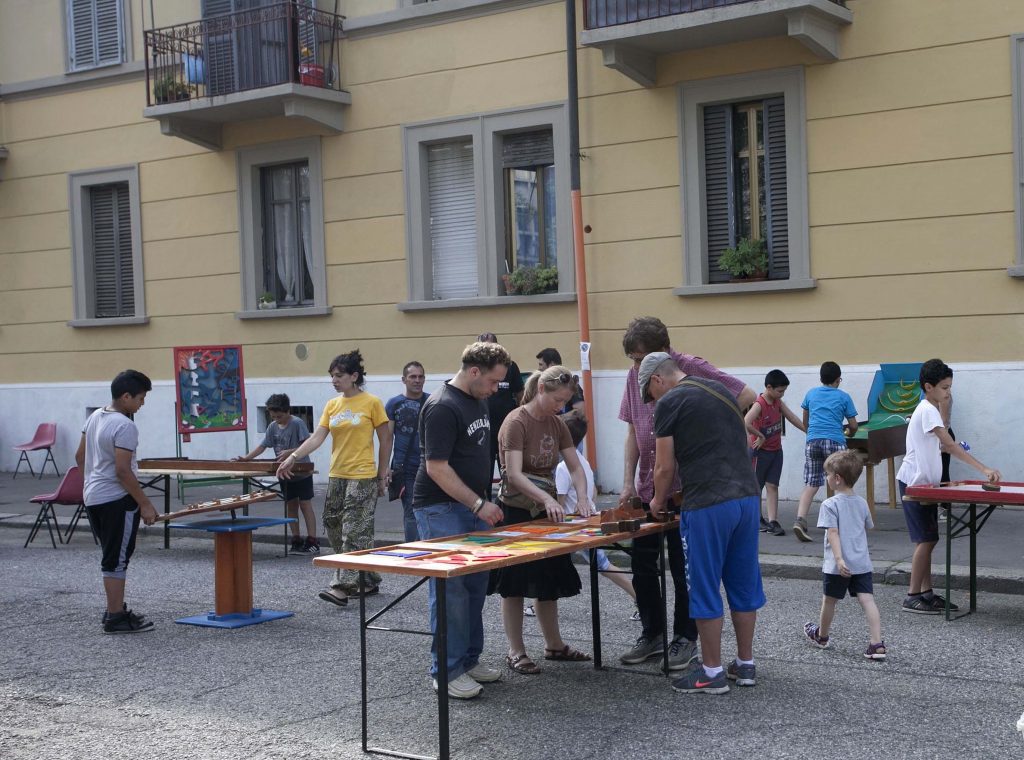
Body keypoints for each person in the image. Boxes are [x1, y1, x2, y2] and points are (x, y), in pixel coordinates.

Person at [617, 316, 756, 671]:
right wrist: (630, 482)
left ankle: (697, 653)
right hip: (723, 494)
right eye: (632, 360)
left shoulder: (692, 374)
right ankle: (657, 635)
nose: (635, 369)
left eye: (639, 358)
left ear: (662, 357)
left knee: (693, 576)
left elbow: (747, 396)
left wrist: (723, 436)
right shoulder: (641, 378)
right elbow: (634, 429)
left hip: (692, 495)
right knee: (645, 566)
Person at [642, 353, 766, 695]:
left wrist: (656, 501)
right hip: (746, 497)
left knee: (704, 584)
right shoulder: (719, 389)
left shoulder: (670, 403)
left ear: (658, 380)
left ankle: (711, 672)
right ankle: (745, 664)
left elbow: (664, 468)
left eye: (650, 395)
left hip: (708, 503)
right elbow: (741, 440)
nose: (652, 402)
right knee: (743, 584)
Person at [412, 341, 508, 700]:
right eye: (493, 381)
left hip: (473, 506)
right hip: (440, 509)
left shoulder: (477, 398)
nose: (495, 389)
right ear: (473, 372)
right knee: (450, 591)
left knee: (474, 588)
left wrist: (485, 498)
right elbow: (436, 468)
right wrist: (478, 502)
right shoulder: (441, 406)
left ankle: (468, 659)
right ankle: (447, 670)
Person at [489, 367, 595, 676]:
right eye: (556, 400)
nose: (560, 407)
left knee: (548, 580)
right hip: (517, 510)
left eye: (564, 401)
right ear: (540, 391)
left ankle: (554, 645)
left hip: (547, 512)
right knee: (514, 585)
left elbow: (574, 466)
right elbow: (514, 474)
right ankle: (516, 651)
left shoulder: (557, 423)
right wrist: (547, 498)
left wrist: (584, 495)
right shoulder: (516, 422)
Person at [277, 350, 392, 606]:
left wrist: (383, 473)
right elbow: (317, 437)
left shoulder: (371, 402)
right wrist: (294, 456)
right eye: (332, 375)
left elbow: (386, 438)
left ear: (354, 376)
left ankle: (343, 585)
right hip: (337, 473)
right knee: (332, 523)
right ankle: (368, 578)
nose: (334, 380)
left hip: (363, 475)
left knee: (354, 528)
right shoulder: (333, 405)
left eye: (339, 375)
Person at [896, 358, 1000, 614]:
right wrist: (984, 469)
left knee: (929, 539)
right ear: (928, 387)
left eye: (950, 387)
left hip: (926, 484)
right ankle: (912, 595)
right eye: (944, 388)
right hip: (914, 484)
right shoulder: (928, 409)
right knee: (925, 540)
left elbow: (939, 446)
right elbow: (949, 445)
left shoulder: (931, 407)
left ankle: (926, 593)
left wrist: (942, 480)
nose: (948, 392)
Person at [75, 369, 157, 634]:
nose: (142, 403)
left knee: (112, 556)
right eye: (141, 398)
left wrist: (90, 483)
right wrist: (144, 503)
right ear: (125, 397)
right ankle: (115, 616)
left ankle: (115, 608)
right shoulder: (124, 425)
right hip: (116, 499)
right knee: (117, 559)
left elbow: (80, 457)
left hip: (94, 496)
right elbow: (123, 471)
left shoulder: (95, 416)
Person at [802, 450, 886, 660]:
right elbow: (866, 526)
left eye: (828, 475)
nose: (827, 478)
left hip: (837, 565)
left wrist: (839, 559)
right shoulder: (862, 502)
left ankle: (822, 636)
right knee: (868, 600)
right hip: (861, 562)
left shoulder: (829, 505)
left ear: (837, 479)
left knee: (829, 601)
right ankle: (876, 643)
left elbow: (833, 533)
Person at [555, 410, 637, 615]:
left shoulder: (563, 467)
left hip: (571, 529)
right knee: (602, 565)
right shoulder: (582, 462)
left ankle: (640, 598)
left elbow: (560, 501)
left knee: (602, 565)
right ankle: (640, 599)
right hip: (586, 522)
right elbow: (592, 491)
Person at [235, 393, 319, 554]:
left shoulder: (297, 423)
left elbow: (307, 444)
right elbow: (262, 446)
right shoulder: (272, 426)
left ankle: (312, 540)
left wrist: (290, 452)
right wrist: (246, 459)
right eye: (273, 417)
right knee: (291, 505)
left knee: (305, 504)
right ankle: (296, 538)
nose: (277, 419)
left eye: (279, 416)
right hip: (284, 472)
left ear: (287, 411)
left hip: (301, 471)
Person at [793, 362, 858, 542]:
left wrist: (812, 433)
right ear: (838, 380)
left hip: (812, 441)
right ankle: (841, 522)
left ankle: (800, 520)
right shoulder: (843, 397)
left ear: (821, 378)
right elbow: (853, 425)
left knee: (812, 483)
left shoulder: (811, 394)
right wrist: (849, 433)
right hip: (835, 441)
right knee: (841, 481)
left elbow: (806, 420)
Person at [745, 369, 806, 537]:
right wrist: (760, 436)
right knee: (757, 487)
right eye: (780, 391)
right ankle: (757, 519)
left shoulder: (777, 402)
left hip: (776, 451)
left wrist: (808, 430)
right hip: (760, 452)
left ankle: (773, 520)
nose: (782, 394)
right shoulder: (760, 404)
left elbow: (791, 417)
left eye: (784, 391)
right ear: (769, 387)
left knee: (773, 485)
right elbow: (746, 422)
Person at [385, 361, 428, 543]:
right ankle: (413, 552)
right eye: (413, 377)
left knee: (429, 510)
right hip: (404, 468)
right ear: (404, 379)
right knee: (411, 512)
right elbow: (387, 438)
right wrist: (385, 467)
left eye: (420, 377)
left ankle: (430, 550)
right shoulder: (394, 404)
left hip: (429, 466)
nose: (417, 380)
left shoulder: (432, 401)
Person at [478, 332, 524, 495]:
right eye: (484, 347)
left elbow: (520, 396)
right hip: (484, 427)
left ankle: (510, 498)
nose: (489, 351)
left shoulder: (511, 367)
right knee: (484, 468)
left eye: (492, 346)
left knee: (509, 466)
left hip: (506, 427)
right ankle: (485, 500)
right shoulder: (476, 370)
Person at [537, 348, 584, 414]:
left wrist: (557, 421)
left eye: (541, 364)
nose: (539, 368)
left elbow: (580, 410)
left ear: (551, 365)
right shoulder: (540, 384)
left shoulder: (570, 384)